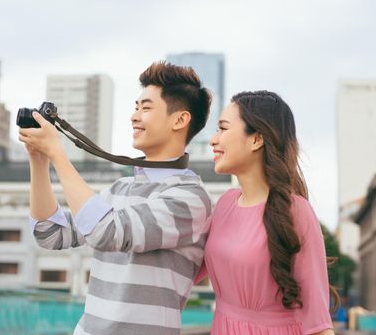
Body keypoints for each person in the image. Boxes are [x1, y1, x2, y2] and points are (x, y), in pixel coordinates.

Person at [18, 61, 213, 335]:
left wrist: (57, 154)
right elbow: (49, 233)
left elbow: (106, 232)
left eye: (146, 108)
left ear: (180, 120)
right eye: (136, 107)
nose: (134, 116)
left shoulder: (190, 198)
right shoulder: (120, 188)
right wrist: (38, 160)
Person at [197, 91, 335, 334]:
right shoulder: (223, 205)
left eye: (223, 128)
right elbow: (183, 270)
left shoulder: (297, 212)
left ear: (256, 139)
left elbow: (318, 322)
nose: (213, 140)